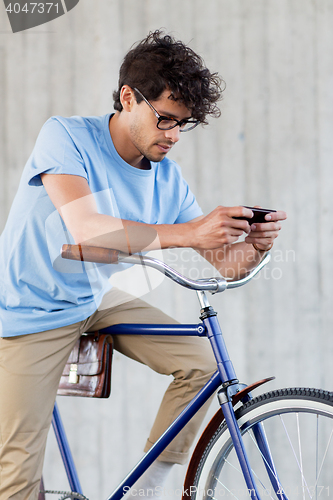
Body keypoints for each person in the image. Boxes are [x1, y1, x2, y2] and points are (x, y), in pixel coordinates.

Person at [0, 30, 286, 500]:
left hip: (93, 298)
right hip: (31, 307)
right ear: (129, 98)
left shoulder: (167, 179)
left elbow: (225, 264)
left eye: (183, 125)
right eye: (166, 120)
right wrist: (189, 233)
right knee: (16, 478)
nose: (173, 136)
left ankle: (145, 491)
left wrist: (256, 246)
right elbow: (84, 233)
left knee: (204, 367)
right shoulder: (66, 136)